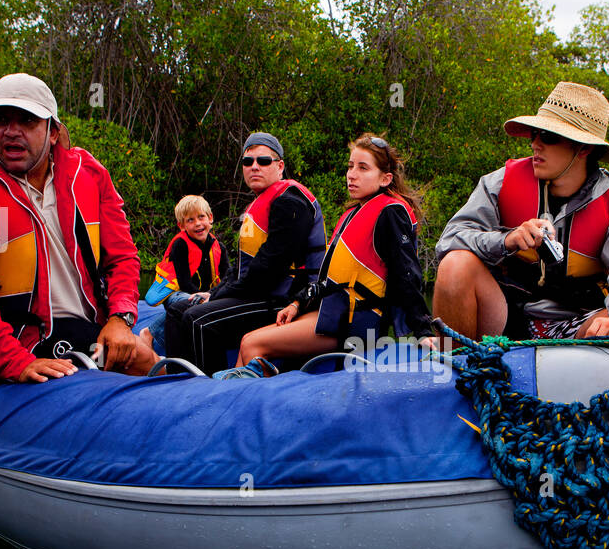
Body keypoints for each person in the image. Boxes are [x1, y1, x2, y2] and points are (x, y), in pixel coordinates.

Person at [0, 73, 143, 383]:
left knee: (146, 359)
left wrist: (120, 318)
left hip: (86, 328)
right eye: (1, 120)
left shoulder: (89, 174)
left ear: (53, 132)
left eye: (27, 121)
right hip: (17, 337)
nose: (12, 132)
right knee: (138, 361)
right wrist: (13, 361)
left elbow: (122, 257)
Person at [433, 81, 609, 343]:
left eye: (549, 137)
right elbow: (449, 240)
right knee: (455, 264)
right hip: (504, 314)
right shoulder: (498, 183)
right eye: (534, 134)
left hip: (573, 325)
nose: (535, 144)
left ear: (584, 148)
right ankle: (455, 367)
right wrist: (506, 240)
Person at [234, 134, 434, 374]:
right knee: (247, 342)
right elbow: (332, 279)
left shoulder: (390, 213)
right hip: (332, 313)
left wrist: (423, 331)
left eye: (362, 168)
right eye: (350, 167)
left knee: (251, 343)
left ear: (385, 178)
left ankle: (256, 405)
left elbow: (407, 273)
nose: (351, 174)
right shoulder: (355, 212)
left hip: (354, 323)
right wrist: (298, 303)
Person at [164, 132, 326, 374]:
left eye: (263, 161)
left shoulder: (291, 201)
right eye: (248, 162)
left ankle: (208, 390)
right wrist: (213, 293)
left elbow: (268, 269)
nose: (254, 167)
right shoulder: (261, 203)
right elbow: (240, 269)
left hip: (284, 299)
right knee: (178, 309)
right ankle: (178, 381)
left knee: (197, 319)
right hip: (260, 293)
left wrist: (219, 296)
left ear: (280, 166)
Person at [145, 195, 228, 354]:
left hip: (205, 295)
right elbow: (184, 282)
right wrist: (204, 297)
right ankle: (150, 333)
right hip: (176, 294)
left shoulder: (219, 247)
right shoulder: (180, 245)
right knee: (196, 302)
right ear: (181, 225)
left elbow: (227, 278)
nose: (197, 223)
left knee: (215, 302)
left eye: (201, 217)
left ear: (210, 218)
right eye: (190, 220)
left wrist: (214, 295)